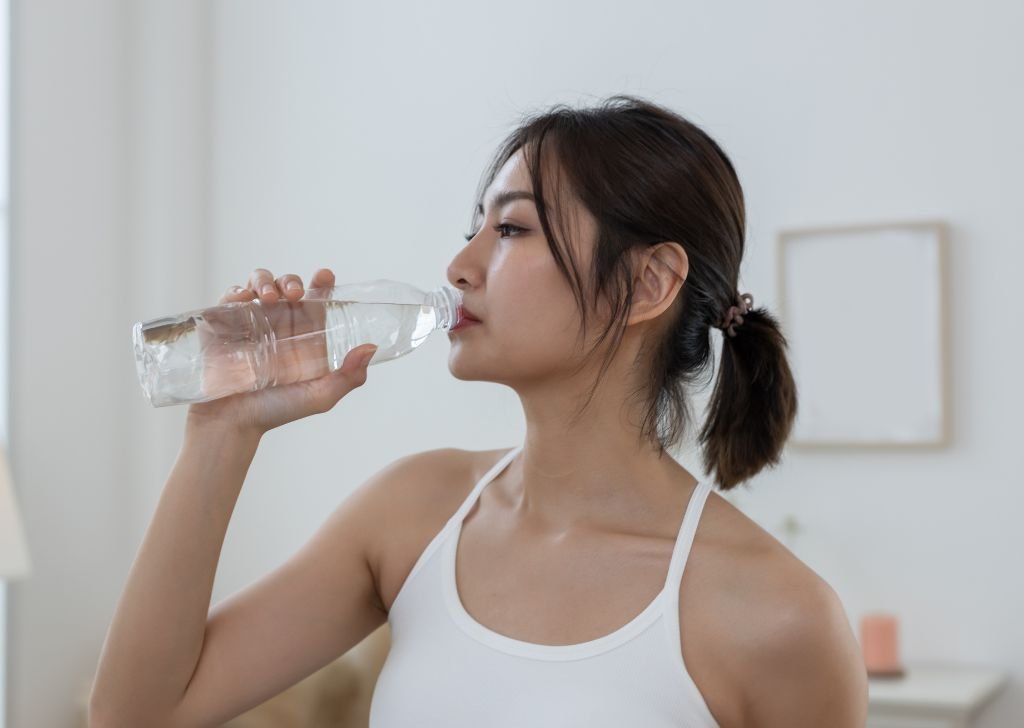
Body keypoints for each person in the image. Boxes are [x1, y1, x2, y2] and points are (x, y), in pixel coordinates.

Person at [90, 95, 868, 727]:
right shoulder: (412, 515)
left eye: (510, 229)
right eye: (475, 229)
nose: (459, 267)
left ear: (648, 283)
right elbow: (134, 714)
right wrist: (222, 433)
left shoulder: (780, 617)